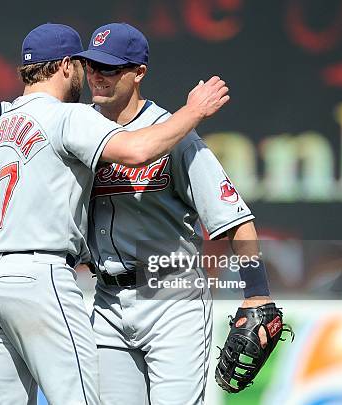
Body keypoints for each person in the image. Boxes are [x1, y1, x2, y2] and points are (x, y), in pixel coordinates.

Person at [0, 23, 229, 405]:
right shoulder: (69, 117)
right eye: (85, 65)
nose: (92, 75)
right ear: (67, 65)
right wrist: (193, 111)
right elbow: (137, 150)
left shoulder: (5, 124)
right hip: (41, 275)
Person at [74, 23, 274, 405]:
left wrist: (257, 292)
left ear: (139, 73)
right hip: (107, 301)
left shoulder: (175, 136)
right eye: (91, 65)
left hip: (172, 298)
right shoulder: (79, 129)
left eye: (110, 68)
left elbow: (234, 218)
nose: (97, 76)